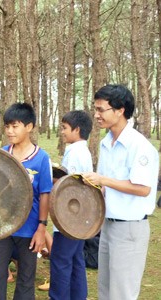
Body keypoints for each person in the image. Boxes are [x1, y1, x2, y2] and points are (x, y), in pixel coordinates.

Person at [82, 84, 159, 300]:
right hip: (107, 225)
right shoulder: (107, 143)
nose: (96, 115)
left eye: (101, 110)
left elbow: (143, 188)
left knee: (122, 293)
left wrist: (103, 179)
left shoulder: (139, 146)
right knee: (106, 290)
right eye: (95, 109)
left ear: (120, 110)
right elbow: (107, 186)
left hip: (129, 229)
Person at [0, 103, 52, 300]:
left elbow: (45, 194)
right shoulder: (3, 153)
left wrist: (41, 228)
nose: (10, 131)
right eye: (7, 126)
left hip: (29, 229)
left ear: (29, 127)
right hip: (2, 227)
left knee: (25, 278)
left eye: (15, 126)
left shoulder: (41, 158)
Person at [49, 110, 92, 300]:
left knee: (60, 262)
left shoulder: (75, 152)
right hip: (81, 218)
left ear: (77, 129)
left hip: (69, 218)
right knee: (76, 261)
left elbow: (69, 186)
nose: (62, 132)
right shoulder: (83, 150)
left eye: (65, 128)